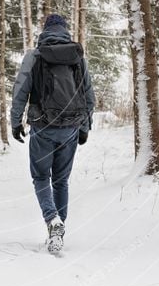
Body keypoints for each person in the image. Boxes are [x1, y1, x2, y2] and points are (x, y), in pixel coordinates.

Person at [10, 14, 95, 254]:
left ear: (45, 31)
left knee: (40, 177)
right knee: (61, 181)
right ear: (65, 30)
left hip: (42, 126)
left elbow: (20, 91)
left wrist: (16, 123)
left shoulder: (34, 56)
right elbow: (89, 95)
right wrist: (85, 128)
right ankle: (59, 230)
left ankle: (52, 221)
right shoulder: (77, 57)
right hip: (70, 127)